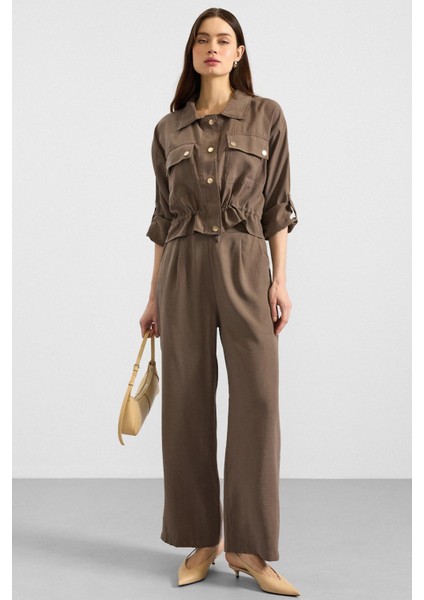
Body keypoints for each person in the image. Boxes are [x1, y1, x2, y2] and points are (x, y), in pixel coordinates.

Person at [140, 7, 300, 596]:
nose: (212, 47)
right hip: (182, 269)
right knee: (186, 402)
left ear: (238, 52)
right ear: (192, 52)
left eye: (223, 39)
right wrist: (152, 297)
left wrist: (279, 280)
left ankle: (248, 548)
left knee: (258, 398)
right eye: (202, 40)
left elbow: (277, 205)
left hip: (244, 263)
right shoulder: (168, 128)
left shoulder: (267, 115)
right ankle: (202, 540)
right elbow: (163, 219)